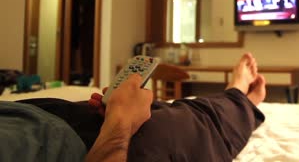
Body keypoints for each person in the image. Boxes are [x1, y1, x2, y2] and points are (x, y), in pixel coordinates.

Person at [8, 53, 266, 162]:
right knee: (194, 119)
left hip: (35, 115)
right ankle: (241, 98)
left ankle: (238, 98)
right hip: (76, 144)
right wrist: (120, 121)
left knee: (155, 107)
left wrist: (118, 112)